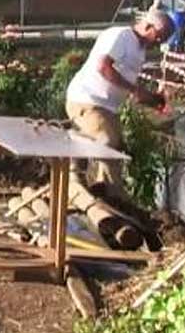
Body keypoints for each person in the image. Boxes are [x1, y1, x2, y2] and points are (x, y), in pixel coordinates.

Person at [65, 10, 174, 200]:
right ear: (148, 26)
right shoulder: (121, 36)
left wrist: (154, 99)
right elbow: (103, 67)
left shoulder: (139, 51)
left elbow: (133, 92)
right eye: (158, 37)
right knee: (108, 143)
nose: (157, 43)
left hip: (106, 107)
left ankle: (87, 187)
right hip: (88, 99)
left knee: (113, 146)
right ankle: (112, 197)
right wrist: (133, 89)